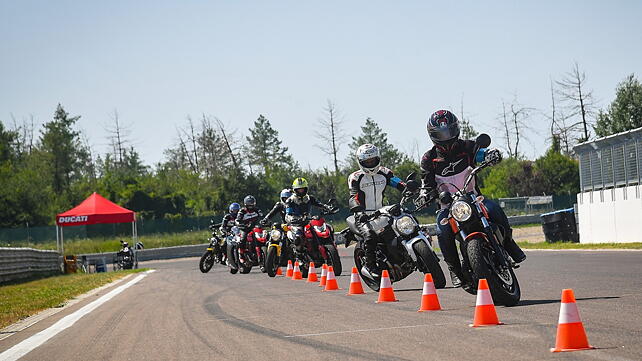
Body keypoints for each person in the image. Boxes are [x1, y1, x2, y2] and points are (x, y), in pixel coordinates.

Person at [419, 109, 526, 288]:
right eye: (440, 134)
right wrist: (424, 195)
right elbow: (426, 182)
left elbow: (481, 154)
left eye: (449, 132)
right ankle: (454, 268)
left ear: (456, 130)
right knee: (443, 231)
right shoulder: (429, 158)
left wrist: (491, 154)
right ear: (433, 135)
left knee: (495, 210)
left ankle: (509, 244)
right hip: (448, 206)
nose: (446, 137)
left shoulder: (468, 147)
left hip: (474, 198)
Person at [347, 144, 417, 278]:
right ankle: (370, 266)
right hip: (362, 215)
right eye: (367, 161)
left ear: (378, 159)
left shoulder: (385, 172)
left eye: (372, 160)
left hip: (382, 211)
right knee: (370, 236)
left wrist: (408, 188)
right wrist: (357, 208)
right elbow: (353, 196)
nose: (370, 163)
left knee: (404, 220)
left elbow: (398, 183)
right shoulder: (355, 177)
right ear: (360, 162)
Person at [284, 178, 334, 254]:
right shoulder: (290, 200)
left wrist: (327, 207)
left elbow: (319, 204)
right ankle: (299, 256)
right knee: (298, 236)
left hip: (308, 221)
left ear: (306, 189)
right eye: (299, 189)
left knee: (328, 227)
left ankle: (331, 245)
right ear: (295, 190)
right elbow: (288, 214)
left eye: (303, 189)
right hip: (297, 223)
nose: (301, 191)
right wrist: (295, 218)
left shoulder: (309, 198)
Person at [235, 195, 263, 261]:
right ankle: (241, 254)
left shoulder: (257, 210)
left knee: (266, 236)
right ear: (245, 203)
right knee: (243, 239)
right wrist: (240, 224)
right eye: (249, 203)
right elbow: (237, 220)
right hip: (245, 228)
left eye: (251, 203)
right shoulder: (242, 211)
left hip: (256, 228)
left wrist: (265, 221)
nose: (250, 205)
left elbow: (262, 216)